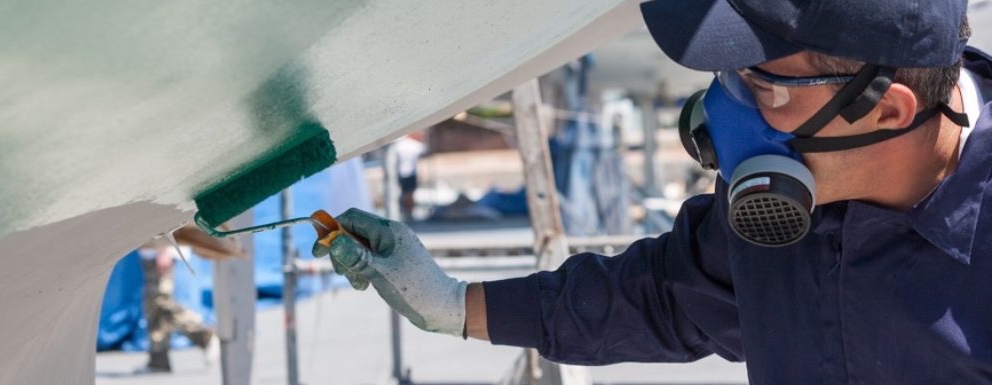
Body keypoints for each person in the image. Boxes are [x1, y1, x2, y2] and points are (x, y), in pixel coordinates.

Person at [313, 0, 992, 383]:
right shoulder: (785, 210)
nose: (725, 109)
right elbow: (663, 297)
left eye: (762, 85)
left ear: (887, 108)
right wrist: (452, 303)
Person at [136, 224, 239, 373]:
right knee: (152, 305)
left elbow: (164, 217)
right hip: (150, 249)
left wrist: (163, 251)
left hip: (160, 248)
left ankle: (204, 336)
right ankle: (158, 359)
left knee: (160, 301)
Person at [393, 130, 426, 221]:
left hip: (401, 173)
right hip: (411, 173)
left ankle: (405, 211)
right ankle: (409, 212)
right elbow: (425, 152)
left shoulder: (398, 145)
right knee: (410, 194)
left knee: (404, 193)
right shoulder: (414, 145)